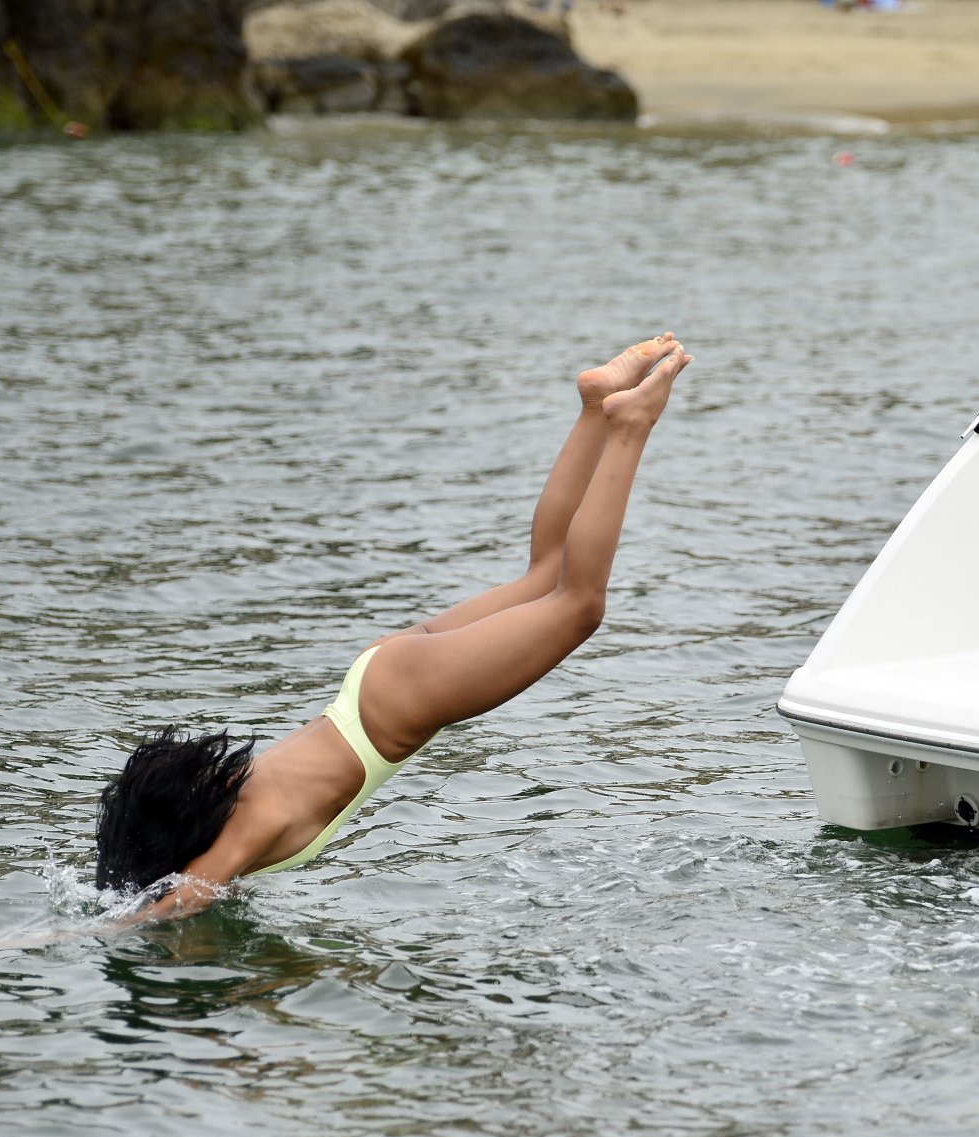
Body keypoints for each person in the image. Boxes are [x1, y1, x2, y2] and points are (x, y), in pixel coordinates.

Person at [94, 335, 694, 920]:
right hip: (377, 677)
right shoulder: (238, 801)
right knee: (546, 575)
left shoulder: (240, 834)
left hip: (400, 702)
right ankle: (595, 406)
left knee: (580, 604)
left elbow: (184, 901)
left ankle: (628, 425)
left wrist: (75, 935)